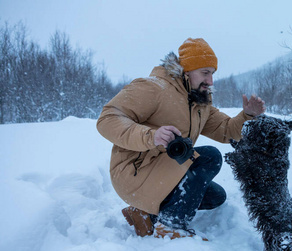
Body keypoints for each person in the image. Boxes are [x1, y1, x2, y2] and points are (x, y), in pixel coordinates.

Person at [97, 38, 265, 240]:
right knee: (209, 157)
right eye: (205, 73)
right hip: (134, 172)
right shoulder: (153, 88)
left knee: (216, 196)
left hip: (160, 171)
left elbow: (225, 130)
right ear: (187, 70)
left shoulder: (198, 101)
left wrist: (247, 116)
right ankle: (170, 225)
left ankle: (144, 213)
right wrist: (151, 136)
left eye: (212, 74)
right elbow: (108, 118)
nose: (210, 81)